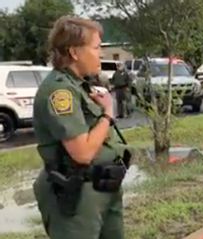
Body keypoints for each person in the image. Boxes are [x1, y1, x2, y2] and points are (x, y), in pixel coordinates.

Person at [32, 16, 131, 239]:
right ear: (74, 52)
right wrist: (107, 113)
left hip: (104, 186)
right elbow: (83, 153)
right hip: (77, 195)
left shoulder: (80, 86)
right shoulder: (60, 93)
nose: (101, 54)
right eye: (96, 48)